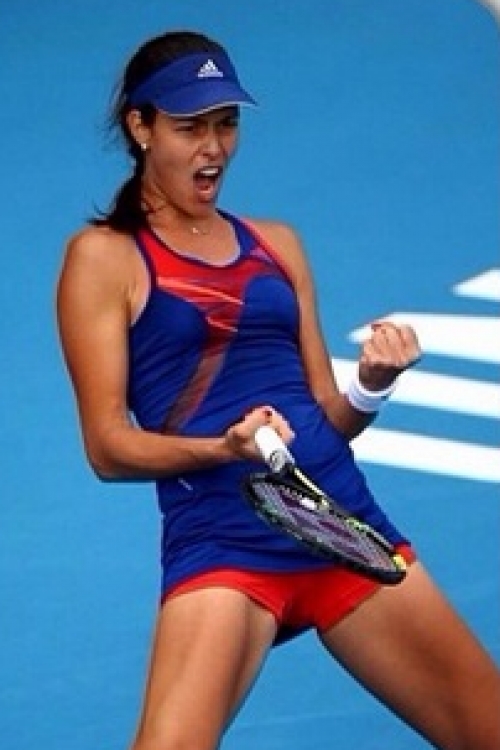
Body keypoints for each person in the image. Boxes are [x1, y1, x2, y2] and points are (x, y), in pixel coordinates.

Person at [56, 29, 500, 750]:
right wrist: (223, 447)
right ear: (140, 127)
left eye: (226, 124)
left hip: (342, 525)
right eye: (190, 128)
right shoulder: (103, 259)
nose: (214, 148)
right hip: (225, 545)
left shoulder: (277, 244)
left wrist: (372, 386)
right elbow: (107, 448)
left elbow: (325, 418)